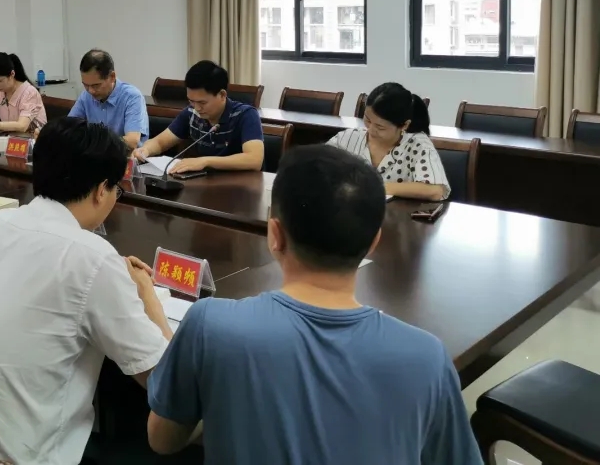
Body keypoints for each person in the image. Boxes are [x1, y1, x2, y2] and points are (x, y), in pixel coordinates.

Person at [146, 145, 483, 464]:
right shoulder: (427, 358)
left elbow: (163, 440)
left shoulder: (210, 324)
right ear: (374, 242)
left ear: (274, 234)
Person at [0, 117, 172, 465]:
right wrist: (146, 294)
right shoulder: (93, 257)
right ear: (101, 190)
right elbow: (163, 381)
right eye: (116, 191)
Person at [134, 60, 264, 173]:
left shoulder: (246, 115)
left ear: (222, 95)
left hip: (242, 187)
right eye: (191, 101)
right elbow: (160, 142)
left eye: (202, 102)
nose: (196, 108)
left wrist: (205, 161)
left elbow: (254, 159)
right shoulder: (191, 113)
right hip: (206, 185)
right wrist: (145, 150)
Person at [327, 82, 449, 201]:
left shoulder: (417, 144)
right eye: (368, 120)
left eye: (380, 127)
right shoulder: (348, 138)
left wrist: (375, 188)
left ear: (404, 125)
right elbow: (319, 166)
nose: (370, 130)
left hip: (397, 214)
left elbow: (436, 190)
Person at [67, 49, 149, 149]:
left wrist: (94, 143)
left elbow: (132, 141)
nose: (91, 91)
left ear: (112, 77)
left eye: (96, 85)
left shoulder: (132, 97)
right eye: (86, 85)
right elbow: (68, 130)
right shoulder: (86, 96)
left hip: (125, 156)